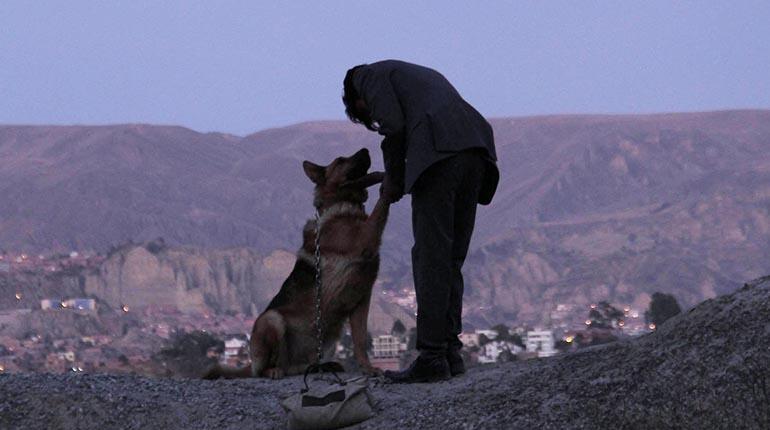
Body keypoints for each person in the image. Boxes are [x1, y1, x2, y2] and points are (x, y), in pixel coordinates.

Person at [342, 60, 499, 383]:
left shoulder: (367, 78)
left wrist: (394, 180)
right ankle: (450, 352)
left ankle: (432, 357)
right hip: (475, 153)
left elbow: (394, 127)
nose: (372, 119)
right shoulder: (412, 75)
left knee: (431, 257)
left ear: (356, 99)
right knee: (451, 258)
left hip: (440, 156)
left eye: (366, 114)